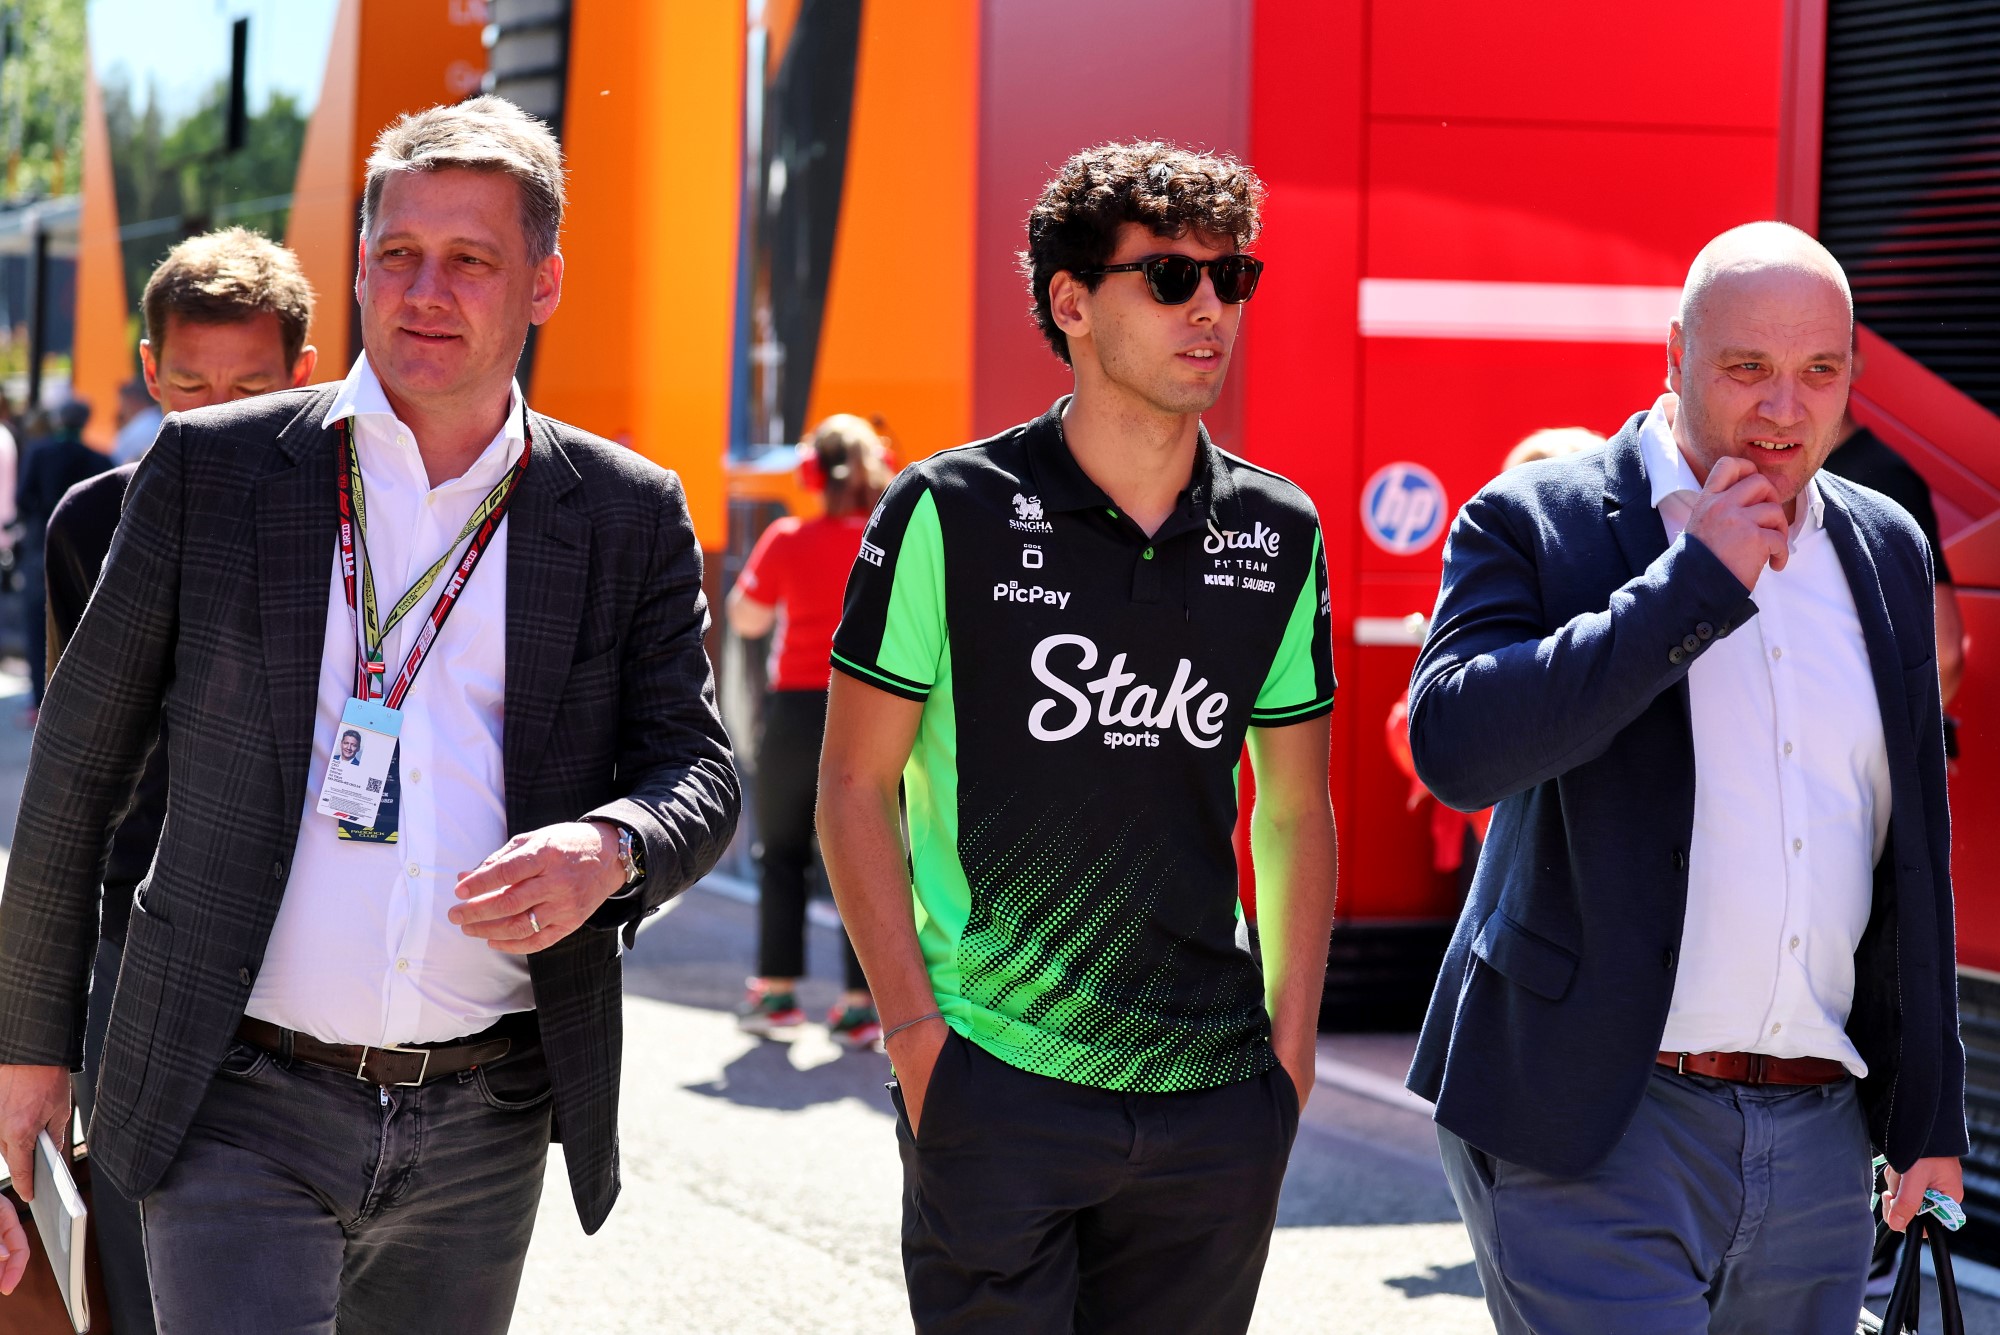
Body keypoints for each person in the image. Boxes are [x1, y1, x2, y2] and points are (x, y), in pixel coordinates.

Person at [0, 95, 738, 1333]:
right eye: (396, 256)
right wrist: (27, 1052)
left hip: (486, 1121)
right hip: (229, 1096)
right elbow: (74, 770)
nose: (424, 292)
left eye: (470, 261)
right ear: (356, 268)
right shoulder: (215, 471)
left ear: (543, 283)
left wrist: (612, 848)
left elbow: (697, 771)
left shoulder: (622, 512)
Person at [818, 141, 1338, 1334]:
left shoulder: (1280, 529)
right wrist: (915, 1044)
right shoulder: (950, 508)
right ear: (1071, 301)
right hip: (993, 1079)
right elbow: (853, 786)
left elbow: (1297, 810)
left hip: (1214, 1096)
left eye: (1231, 278)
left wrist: (1289, 1065)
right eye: (1167, 279)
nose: (1208, 309)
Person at [1407, 221, 1963, 1334]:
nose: (1782, 409)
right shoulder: (1537, 519)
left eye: (1817, 373)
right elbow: (1454, 746)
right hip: (1595, 1120)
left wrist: (1926, 1116)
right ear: (1672, 355)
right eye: (1745, 369)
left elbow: (1908, 856)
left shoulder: (1885, 547)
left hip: (1816, 1140)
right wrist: (1686, 585)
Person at [39, 224, 319, 1335]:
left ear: (304, 375)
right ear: (150, 371)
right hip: (140, 937)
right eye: (190, 384)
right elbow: (74, 787)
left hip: (310, 951)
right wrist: (42, 1035)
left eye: (249, 386)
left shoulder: (351, 524)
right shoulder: (92, 523)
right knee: (139, 1246)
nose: (212, 413)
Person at [726, 414, 891, 1047]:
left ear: (811, 475)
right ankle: (862, 1005)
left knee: (782, 852)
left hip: (797, 711)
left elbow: (745, 618)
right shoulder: (889, 538)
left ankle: (777, 994)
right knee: (869, 853)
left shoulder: (788, 537)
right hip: (876, 713)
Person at [1822, 401, 1968, 707]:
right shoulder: (1804, 479)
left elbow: (1944, 651)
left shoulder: (1886, 480)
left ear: (1852, 364)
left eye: (1820, 367)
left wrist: (1891, 747)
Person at [15, 400, 110, 719]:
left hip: (38, 549)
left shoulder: (38, 453)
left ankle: (39, 702)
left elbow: (23, 500)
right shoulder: (98, 458)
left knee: (37, 624)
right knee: (77, 621)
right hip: (82, 551)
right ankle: (73, 702)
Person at [111, 380, 162, 465]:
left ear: (132, 399)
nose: (120, 410)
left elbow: (116, 462)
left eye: (122, 403)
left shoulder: (138, 429)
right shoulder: (159, 421)